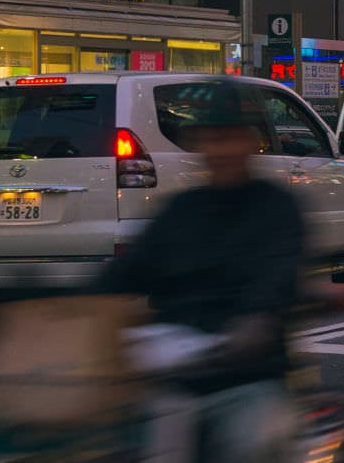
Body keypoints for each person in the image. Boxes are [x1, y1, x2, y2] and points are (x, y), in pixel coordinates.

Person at [106, 91, 304, 463]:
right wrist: (60, 302)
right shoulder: (181, 210)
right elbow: (128, 272)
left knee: (252, 445)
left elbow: (277, 275)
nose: (220, 150)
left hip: (248, 376)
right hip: (175, 378)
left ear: (251, 143)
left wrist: (255, 322)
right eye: (211, 139)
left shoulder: (276, 207)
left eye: (230, 138)